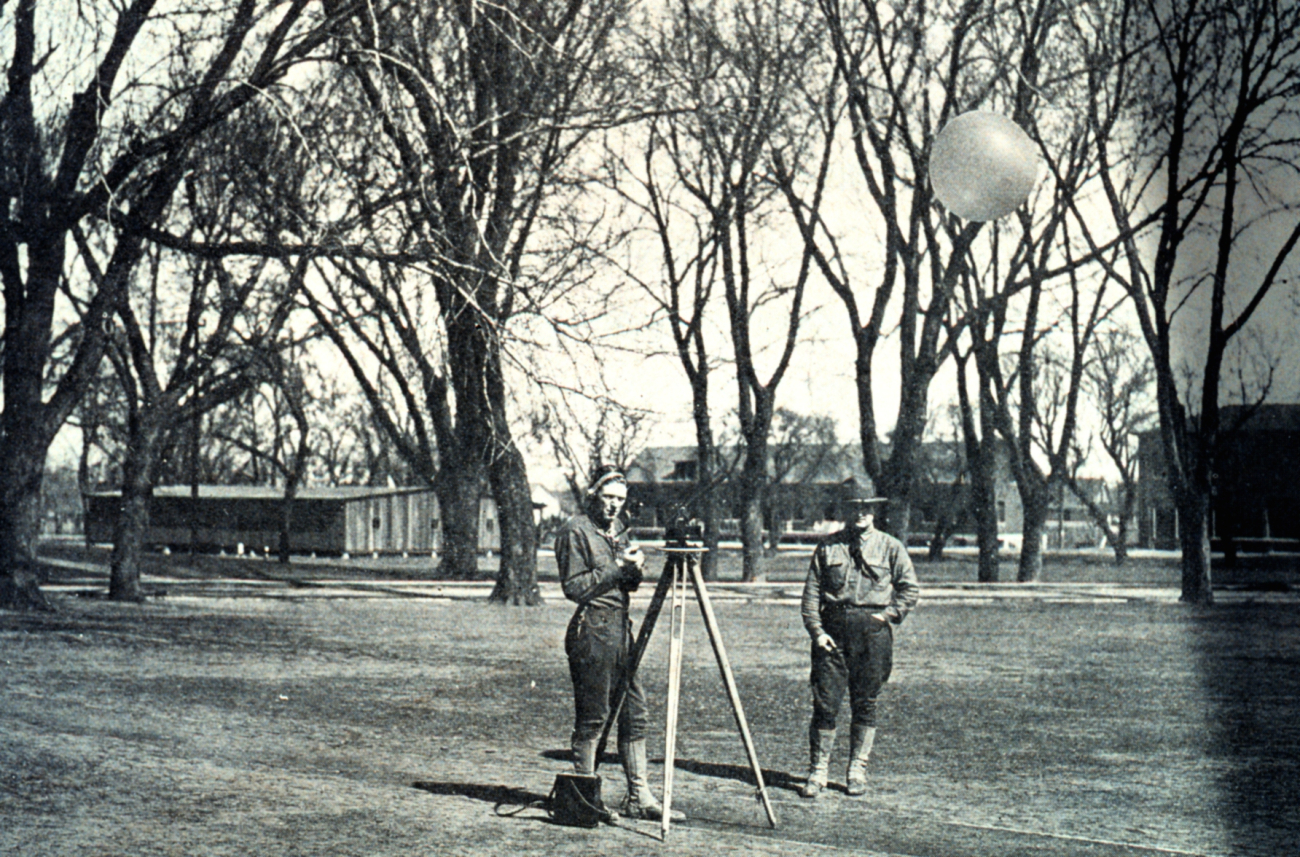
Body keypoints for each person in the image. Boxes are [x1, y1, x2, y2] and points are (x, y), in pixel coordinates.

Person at [555, 465, 683, 822]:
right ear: (593, 494)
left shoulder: (617, 530)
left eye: (620, 500)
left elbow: (625, 585)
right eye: (609, 497)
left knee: (634, 713)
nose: (614, 506)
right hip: (592, 630)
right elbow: (575, 587)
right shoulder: (575, 531)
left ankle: (638, 796)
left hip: (620, 630)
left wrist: (634, 569)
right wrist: (615, 565)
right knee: (594, 716)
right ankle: (584, 798)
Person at [799, 479, 920, 798]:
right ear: (846, 510)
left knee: (865, 703)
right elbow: (811, 596)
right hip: (832, 635)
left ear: (874, 510)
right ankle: (818, 771)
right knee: (825, 704)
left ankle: (856, 770)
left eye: (866, 507)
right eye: (854, 506)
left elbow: (910, 590)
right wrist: (817, 631)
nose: (861, 513)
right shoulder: (828, 547)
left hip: (872, 635)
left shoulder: (890, 546)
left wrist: (887, 616)